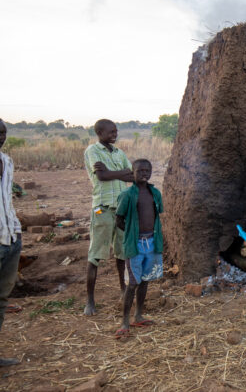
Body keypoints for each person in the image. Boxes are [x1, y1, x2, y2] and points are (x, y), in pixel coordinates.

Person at [83, 119, 133, 316]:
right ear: (99, 132)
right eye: (111, 131)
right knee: (95, 255)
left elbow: (132, 175)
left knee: (122, 253)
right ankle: (90, 300)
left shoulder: (119, 153)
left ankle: (123, 291)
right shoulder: (92, 151)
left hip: (121, 209)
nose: (115, 134)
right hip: (102, 209)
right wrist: (121, 173)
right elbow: (101, 177)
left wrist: (112, 172)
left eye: (116, 131)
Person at [114, 159, 164, 339]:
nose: (144, 173)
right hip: (135, 244)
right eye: (140, 170)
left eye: (147, 170)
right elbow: (119, 219)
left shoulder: (155, 193)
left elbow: (157, 216)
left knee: (145, 280)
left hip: (152, 242)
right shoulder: (127, 195)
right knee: (133, 283)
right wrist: (132, 233)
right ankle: (124, 322)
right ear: (132, 173)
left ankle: (138, 315)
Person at [0, 119, 22, 366]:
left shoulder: (7, 161)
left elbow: (7, 200)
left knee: (2, 300)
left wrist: (16, 230)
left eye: (3, 133)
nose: (1, 137)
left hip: (11, 238)